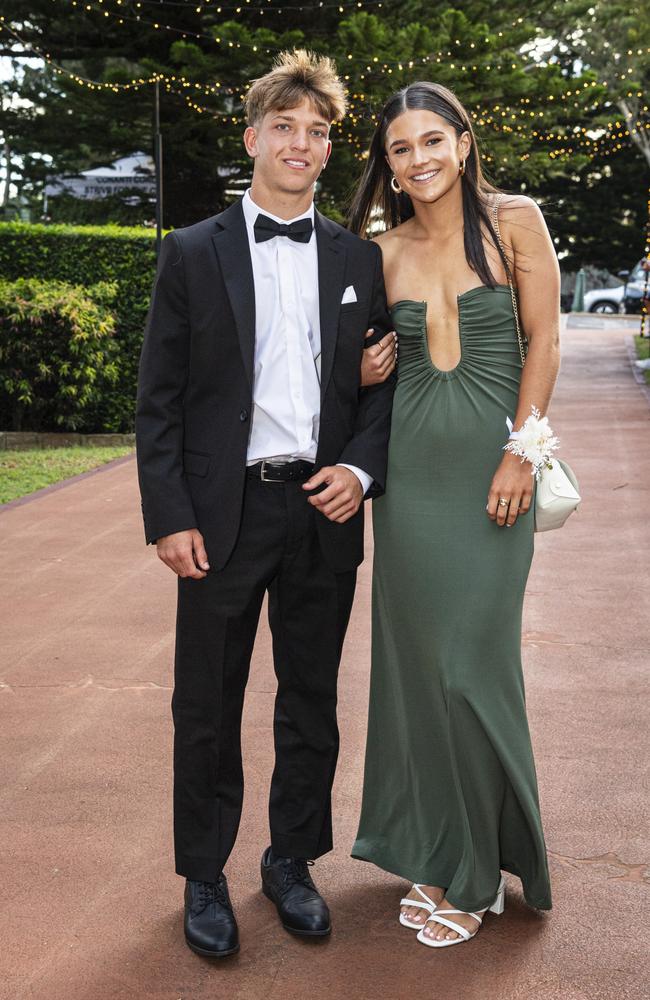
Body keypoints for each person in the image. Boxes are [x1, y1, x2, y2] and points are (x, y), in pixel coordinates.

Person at [135, 49, 395, 958]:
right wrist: (169, 514)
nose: (300, 142)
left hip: (321, 513)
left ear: (328, 153)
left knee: (311, 699)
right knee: (206, 701)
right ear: (253, 138)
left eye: (317, 132)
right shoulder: (191, 253)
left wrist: (359, 472)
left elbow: (383, 391)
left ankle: (291, 860)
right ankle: (204, 875)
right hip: (220, 514)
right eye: (284, 126)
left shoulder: (359, 257)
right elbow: (158, 400)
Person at [348, 81, 560, 948]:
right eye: (401, 149)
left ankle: (478, 874)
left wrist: (524, 449)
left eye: (432, 140)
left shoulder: (516, 221)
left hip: (492, 476)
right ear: (388, 167)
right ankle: (439, 848)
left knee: (472, 672)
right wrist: (362, 375)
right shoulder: (381, 249)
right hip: (409, 486)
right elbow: (362, 366)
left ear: (464, 142)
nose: (419, 159)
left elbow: (544, 341)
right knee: (416, 677)